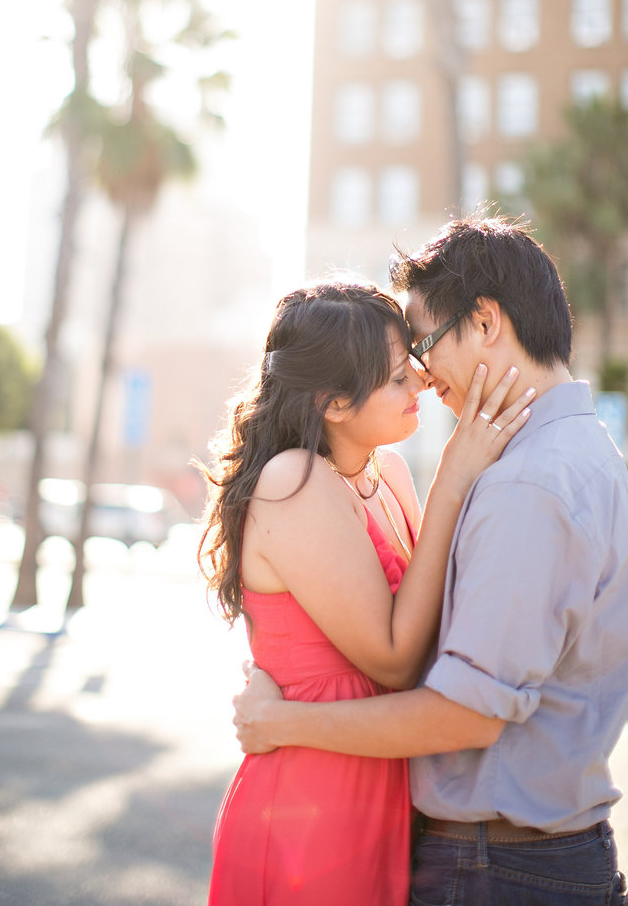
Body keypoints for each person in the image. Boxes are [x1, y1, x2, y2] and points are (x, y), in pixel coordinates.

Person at [233, 216, 628, 906]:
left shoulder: (528, 483)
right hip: (479, 850)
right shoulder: (576, 451)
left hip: (497, 869)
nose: (423, 377)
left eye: (422, 346)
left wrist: (283, 721)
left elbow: (465, 711)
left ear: (485, 321)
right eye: (402, 368)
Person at [197, 279, 534, 905]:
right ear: (334, 403)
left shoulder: (391, 475)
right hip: (309, 805)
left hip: (380, 785)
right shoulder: (291, 480)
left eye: (412, 363)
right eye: (396, 376)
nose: (421, 383)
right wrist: (456, 475)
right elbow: (394, 656)